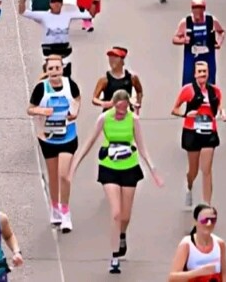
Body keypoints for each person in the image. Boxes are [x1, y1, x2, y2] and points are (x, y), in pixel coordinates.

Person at [70, 89, 163, 274]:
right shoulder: (104, 118)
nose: (121, 113)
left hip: (129, 167)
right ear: (112, 105)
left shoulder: (133, 119)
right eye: (118, 110)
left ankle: (122, 234)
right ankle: (114, 257)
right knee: (116, 213)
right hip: (109, 167)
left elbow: (142, 148)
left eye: (124, 109)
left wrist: (154, 171)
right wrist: (74, 167)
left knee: (125, 216)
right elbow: (89, 143)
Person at [28, 54, 81, 231]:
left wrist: (75, 112)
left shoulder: (70, 85)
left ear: (62, 69)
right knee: (53, 176)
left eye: (57, 68)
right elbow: (30, 109)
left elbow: (77, 99)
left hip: (68, 136)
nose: (54, 71)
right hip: (48, 138)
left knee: (64, 175)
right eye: (51, 69)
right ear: (47, 71)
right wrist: (42, 111)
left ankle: (65, 212)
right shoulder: (41, 88)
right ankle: (55, 208)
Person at [172, 60, 226, 209]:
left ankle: (207, 204)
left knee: (207, 169)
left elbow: (221, 107)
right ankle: (189, 185)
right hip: (192, 131)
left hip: (209, 131)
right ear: (195, 74)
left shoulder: (215, 91)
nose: (203, 74)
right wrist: (186, 114)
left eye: (205, 71)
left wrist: (223, 114)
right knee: (194, 170)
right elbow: (174, 109)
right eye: (200, 72)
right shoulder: (187, 90)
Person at [17, 0, 91, 75]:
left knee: (66, 77)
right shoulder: (44, 16)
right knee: (51, 76)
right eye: (54, 2)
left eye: (59, 2)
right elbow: (22, 11)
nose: (56, 4)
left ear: (62, 4)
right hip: (49, 51)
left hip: (64, 51)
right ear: (50, 4)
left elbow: (89, 14)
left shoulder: (67, 15)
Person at [172, 0, 226, 86]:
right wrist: (183, 40)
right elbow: (175, 39)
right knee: (188, 80)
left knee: (210, 80)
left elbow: (221, 32)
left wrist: (219, 43)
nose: (197, 11)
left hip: (208, 55)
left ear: (204, 9)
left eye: (200, 8)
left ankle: (209, 93)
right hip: (191, 55)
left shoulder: (211, 20)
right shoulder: (186, 22)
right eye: (195, 8)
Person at [168, 203, 226, 282]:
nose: (209, 223)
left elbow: (224, 275)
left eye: (212, 220)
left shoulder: (220, 244)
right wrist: (199, 272)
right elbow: (172, 278)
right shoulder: (187, 244)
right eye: (204, 220)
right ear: (195, 221)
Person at [92, 47, 144, 112]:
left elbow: (139, 91)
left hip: (127, 113)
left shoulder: (132, 77)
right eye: (110, 58)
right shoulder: (104, 79)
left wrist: (138, 103)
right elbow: (94, 99)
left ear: (122, 60)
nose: (112, 61)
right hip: (110, 113)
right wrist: (104, 103)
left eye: (115, 58)